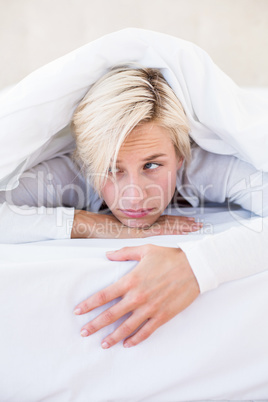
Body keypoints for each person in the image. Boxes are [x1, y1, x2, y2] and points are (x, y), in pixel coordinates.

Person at [0, 64, 267, 349]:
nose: (135, 197)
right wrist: (92, 224)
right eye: (111, 169)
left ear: (179, 156)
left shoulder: (206, 166)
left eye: (152, 165)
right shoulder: (68, 173)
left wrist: (196, 266)